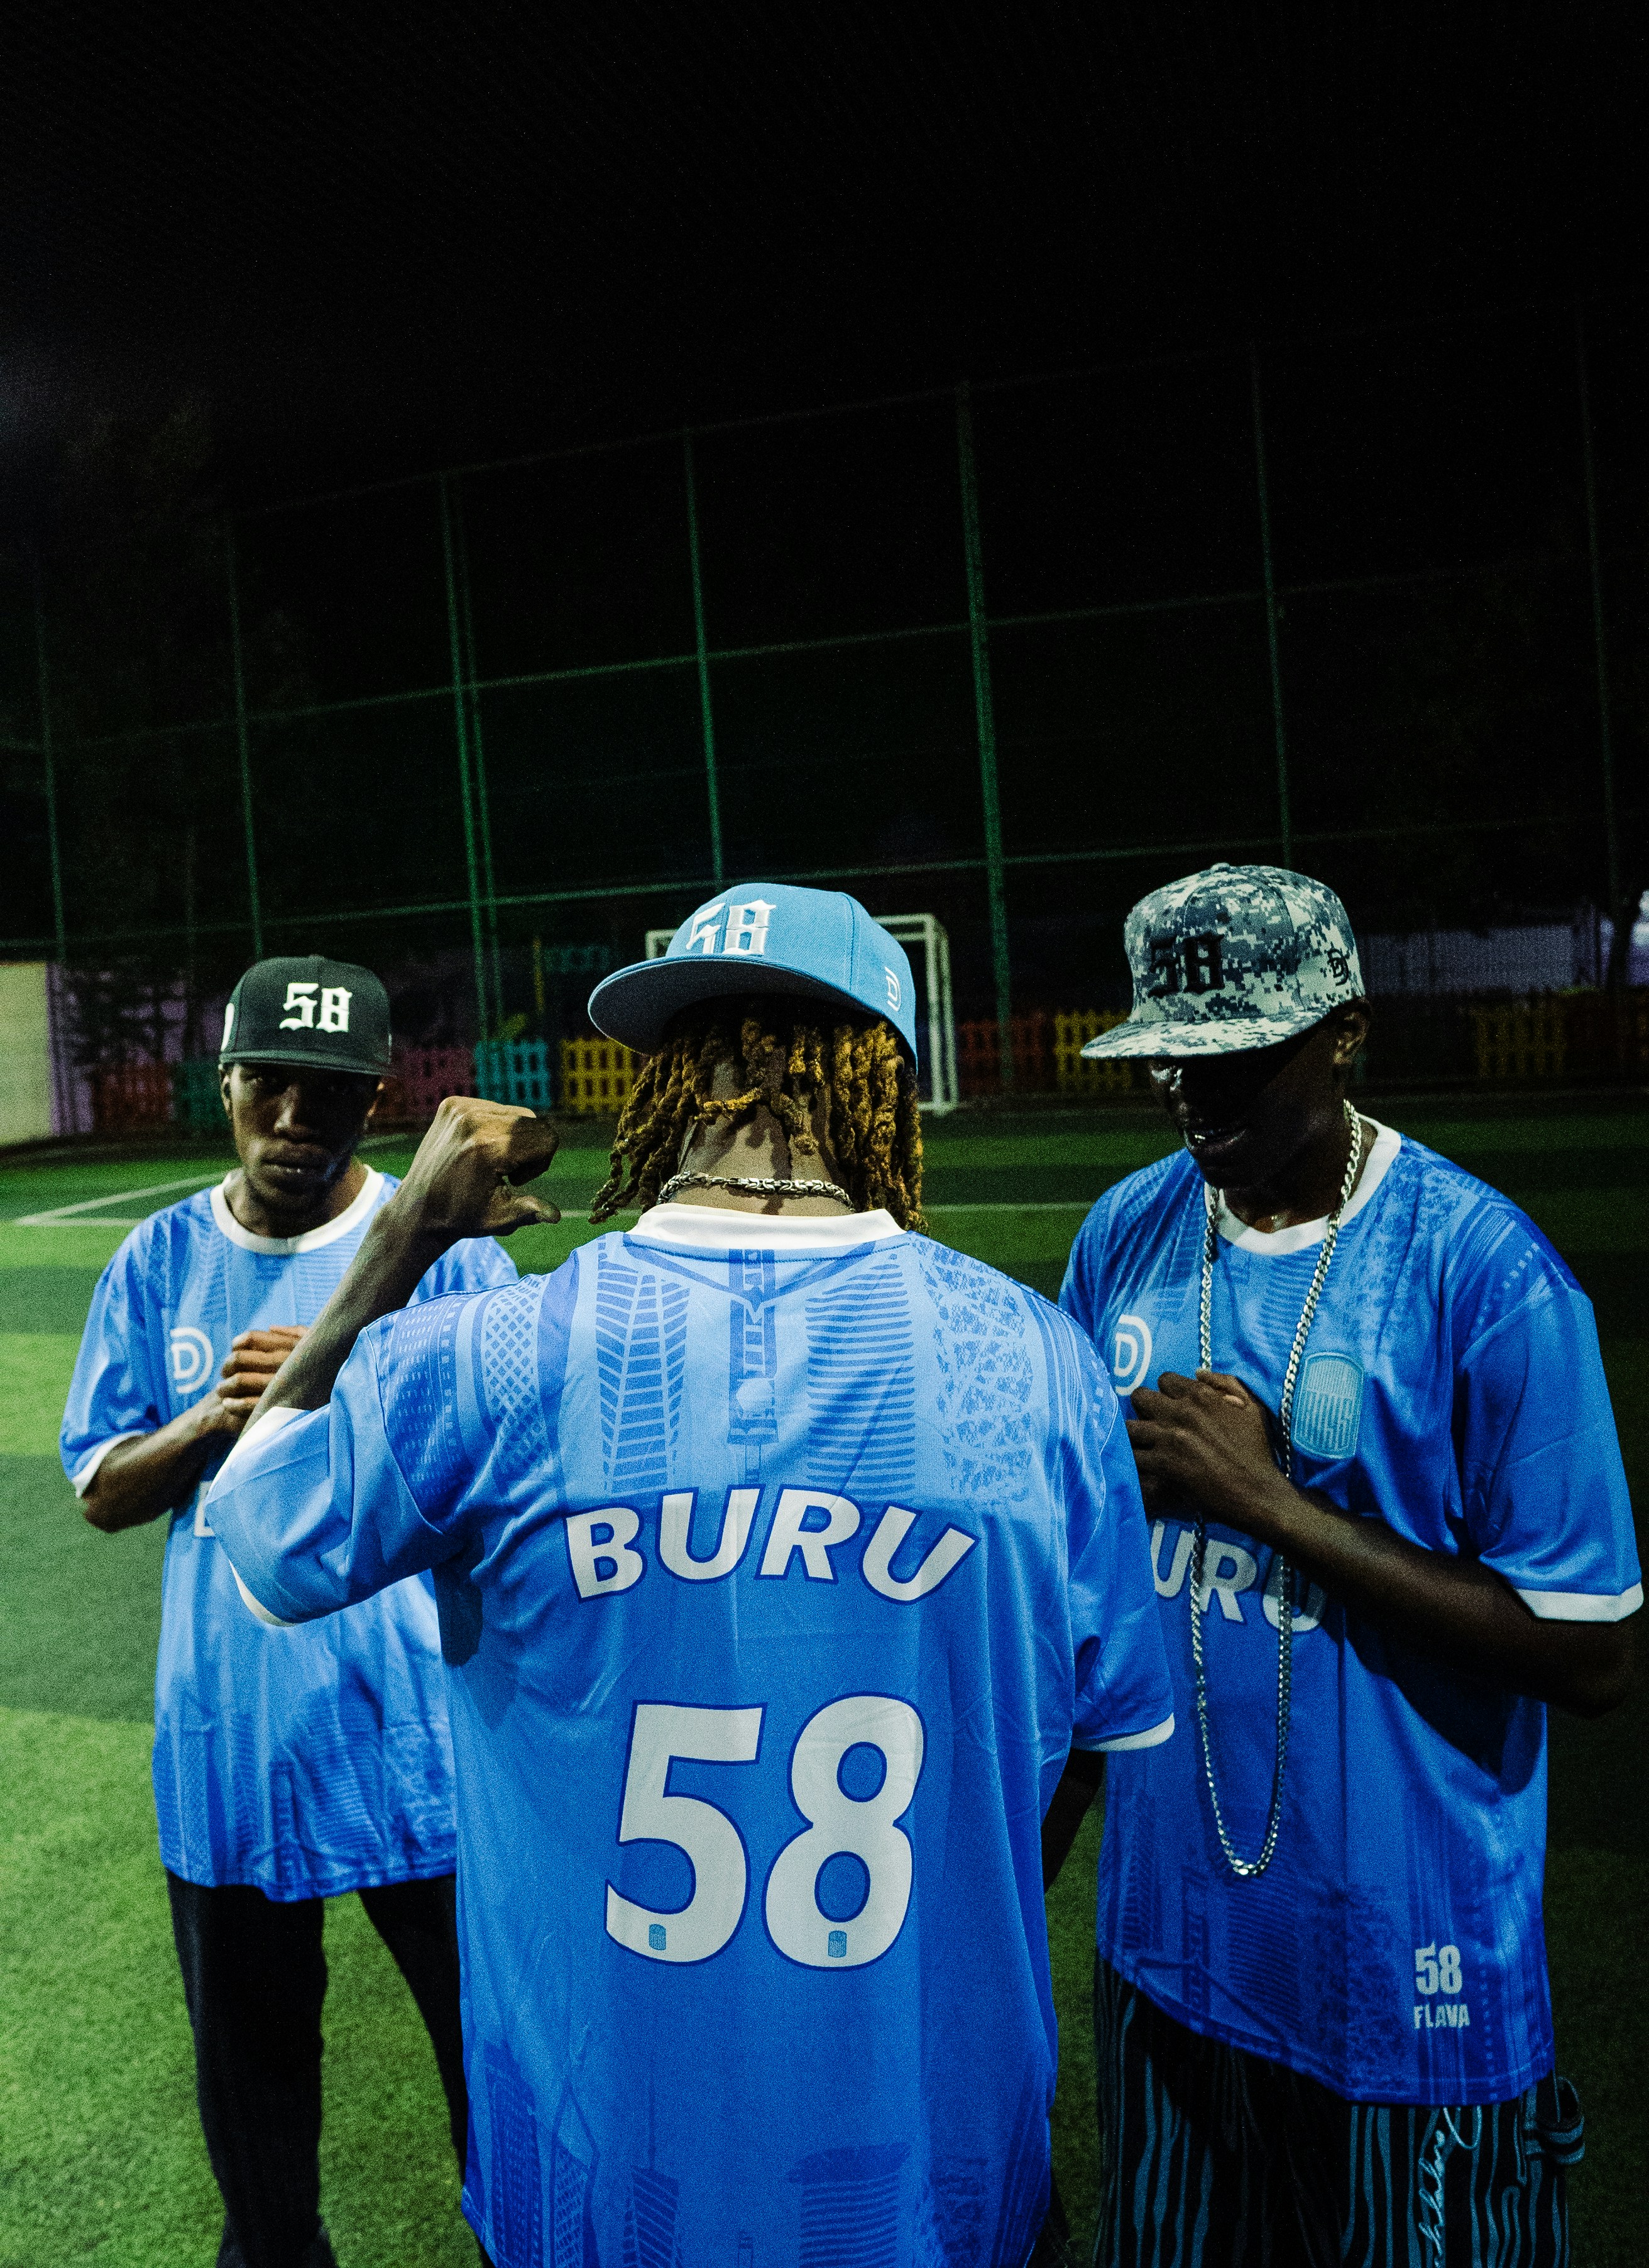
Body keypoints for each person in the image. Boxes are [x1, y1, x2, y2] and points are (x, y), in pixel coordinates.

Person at [202, 883, 1175, 2268]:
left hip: (598, 2181)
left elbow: (252, 1530)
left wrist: (397, 1242)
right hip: (935, 2175)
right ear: (883, 1081)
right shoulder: (1037, 1363)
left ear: (667, 1082)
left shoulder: (485, 1355)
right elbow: (1100, 1737)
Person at [1050, 862, 1642, 2266]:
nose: (1194, 1092)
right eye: (1169, 1058)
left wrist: (1274, 1505)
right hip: (1167, 1954)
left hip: (1405, 1978)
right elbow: (1077, 1585)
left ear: (1343, 1029)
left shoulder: (1481, 1273)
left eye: (1236, 1055)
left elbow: (1593, 1647)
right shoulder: (1123, 1236)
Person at [61, 954, 518, 2268]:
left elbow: (500, 1479)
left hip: (424, 1751)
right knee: (257, 2148)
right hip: (233, 1750)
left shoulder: (448, 1262)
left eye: (328, 1094)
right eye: (269, 1087)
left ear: (378, 1099)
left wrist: (340, 1388)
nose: (293, 1121)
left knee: (501, 2088)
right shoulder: (157, 1266)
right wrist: (218, 1422)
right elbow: (100, 1486)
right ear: (227, 1086)